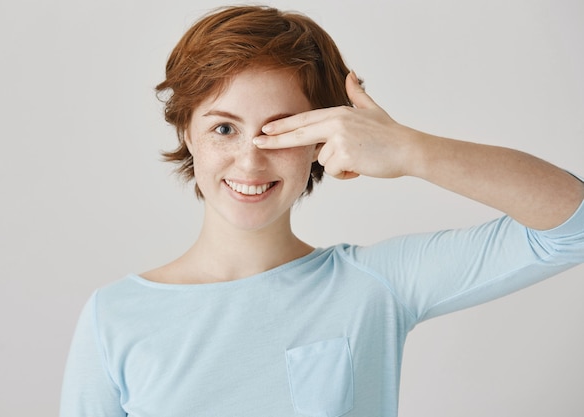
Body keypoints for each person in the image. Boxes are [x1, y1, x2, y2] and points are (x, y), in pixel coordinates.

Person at [60, 5, 584, 417]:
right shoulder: (116, 317)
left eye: (281, 130)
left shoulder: (375, 286)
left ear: (320, 140)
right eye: (224, 128)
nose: (250, 158)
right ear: (187, 134)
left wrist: (409, 150)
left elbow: (571, 226)